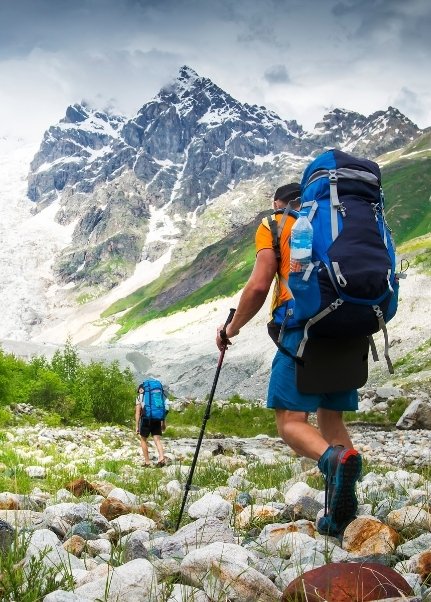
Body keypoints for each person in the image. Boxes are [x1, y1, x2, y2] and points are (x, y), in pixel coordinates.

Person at [216, 182, 362, 536]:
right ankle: (343, 511)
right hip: (350, 327)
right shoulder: (340, 220)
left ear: (277, 202)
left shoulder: (277, 222)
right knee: (330, 418)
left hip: (303, 328)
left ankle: (335, 462)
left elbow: (258, 285)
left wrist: (231, 328)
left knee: (290, 422)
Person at [135, 382, 168, 468]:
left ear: (141, 389)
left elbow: (137, 413)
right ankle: (161, 458)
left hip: (146, 419)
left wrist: (137, 426)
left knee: (143, 440)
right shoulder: (156, 396)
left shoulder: (139, 397)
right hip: (157, 419)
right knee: (157, 440)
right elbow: (161, 408)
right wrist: (163, 423)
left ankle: (147, 462)